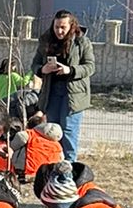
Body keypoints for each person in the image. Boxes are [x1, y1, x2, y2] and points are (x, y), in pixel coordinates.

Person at [33, 10, 95, 161]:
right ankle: (54, 166)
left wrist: (71, 70)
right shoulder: (46, 40)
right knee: (53, 130)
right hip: (51, 91)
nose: (59, 31)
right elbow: (35, 64)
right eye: (56, 27)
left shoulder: (81, 42)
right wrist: (42, 70)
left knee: (68, 131)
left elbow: (90, 67)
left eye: (63, 27)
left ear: (71, 26)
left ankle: (69, 171)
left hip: (73, 93)